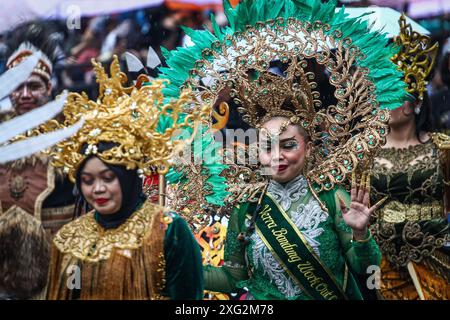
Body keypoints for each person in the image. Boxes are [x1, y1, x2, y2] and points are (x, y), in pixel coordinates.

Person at [158, 0, 408, 299]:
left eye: (288, 145)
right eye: (267, 147)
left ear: (309, 146)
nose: (277, 156)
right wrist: (174, 264)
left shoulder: (332, 198)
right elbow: (232, 277)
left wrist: (360, 235)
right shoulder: (246, 206)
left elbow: (366, 271)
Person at [45, 56, 204, 300]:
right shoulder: (71, 237)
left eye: (108, 178)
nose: (97, 189)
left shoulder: (168, 230)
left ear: (129, 177)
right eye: (87, 181)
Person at [369, 15, 450, 300]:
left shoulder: (443, 148)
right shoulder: (363, 153)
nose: (384, 104)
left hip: (439, 263)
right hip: (385, 267)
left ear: (414, 104)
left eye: (393, 96)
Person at [0, 22, 75, 236]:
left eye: (33, 86)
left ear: (49, 88)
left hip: (58, 244)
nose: (24, 94)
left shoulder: (71, 130)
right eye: (17, 87)